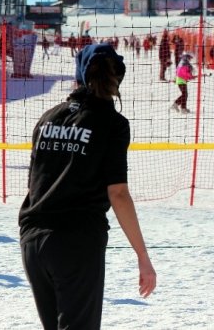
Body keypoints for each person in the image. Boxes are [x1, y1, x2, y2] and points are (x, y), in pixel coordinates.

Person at [19, 43, 156, 329]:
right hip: (76, 242)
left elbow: (35, 182)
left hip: (32, 239)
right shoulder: (112, 123)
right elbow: (117, 192)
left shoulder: (48, 118)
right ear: (117, 78)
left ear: (78, 76)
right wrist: (142, 255)